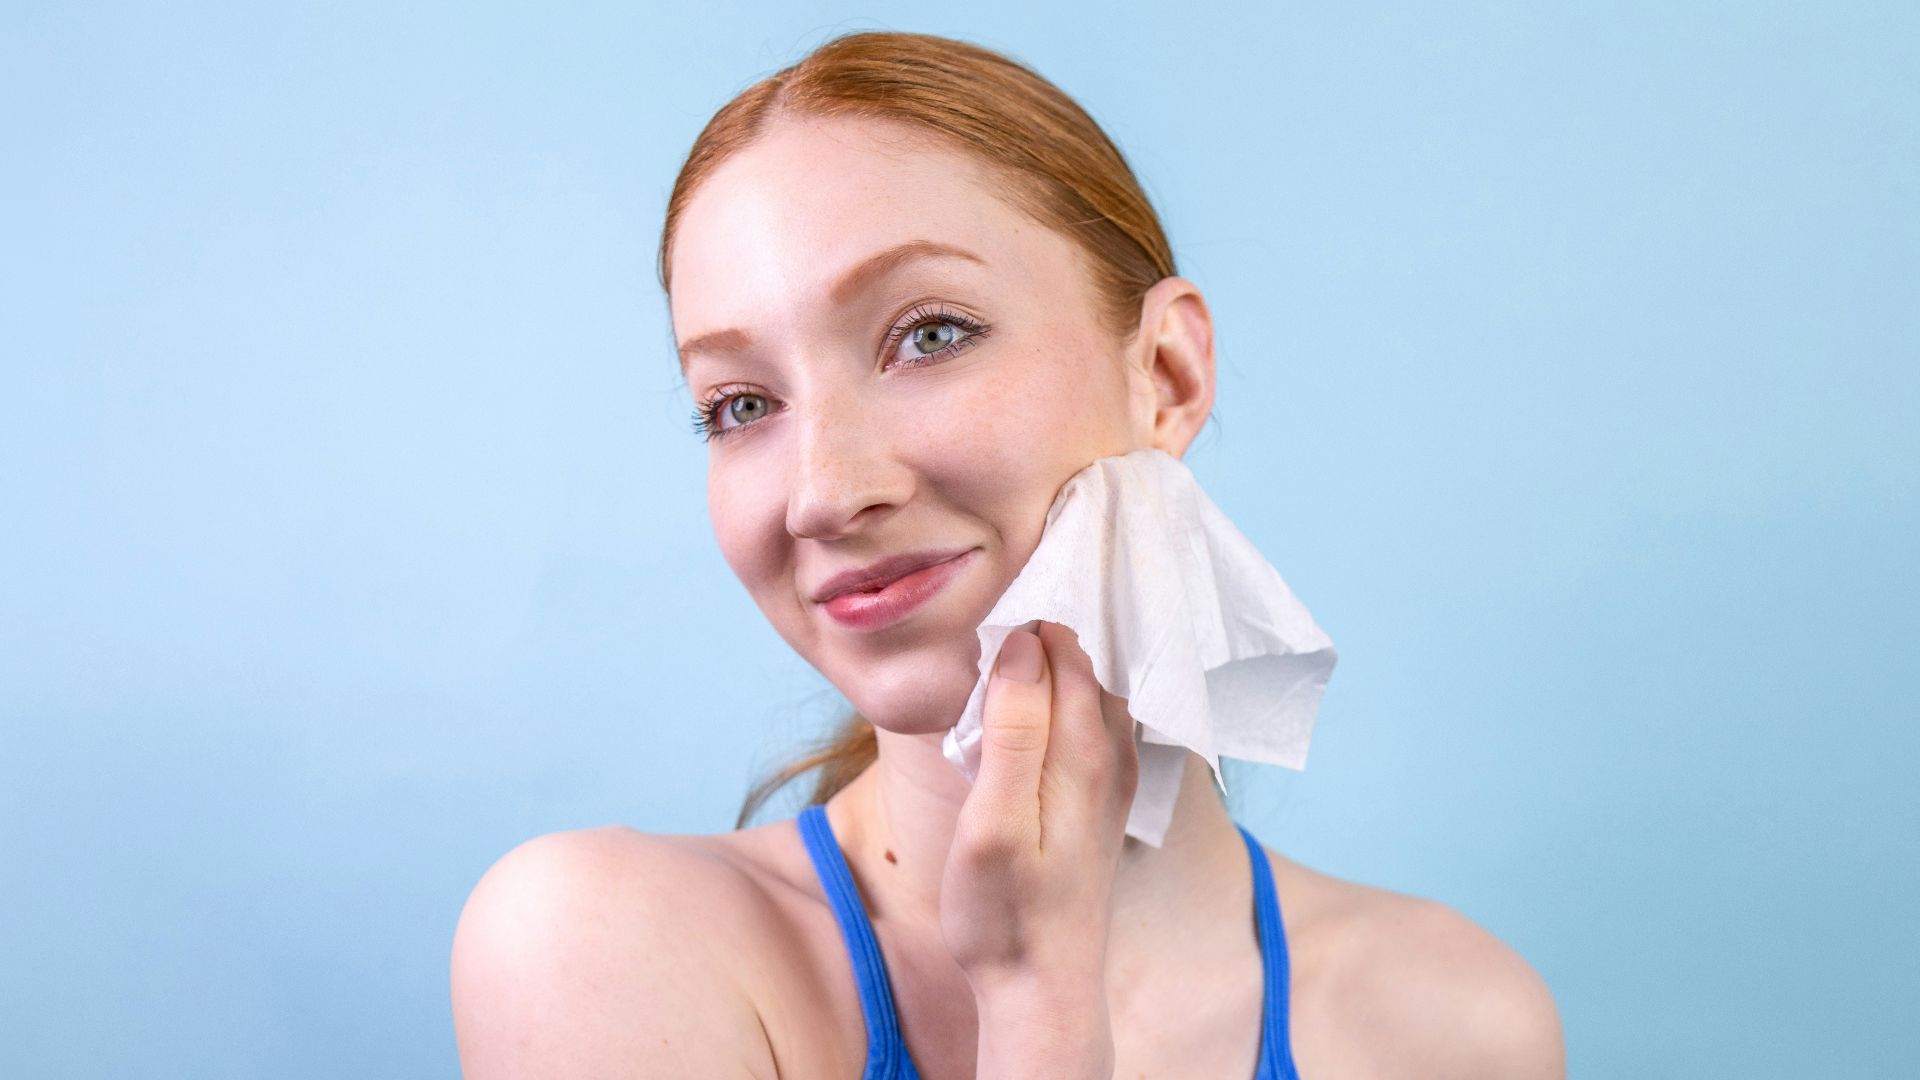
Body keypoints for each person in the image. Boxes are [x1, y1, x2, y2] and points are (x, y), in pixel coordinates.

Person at [450, 29, 1565, 1079]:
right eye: (741, 405)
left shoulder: (1451, 1021)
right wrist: (1035, 1001)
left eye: (929, 335)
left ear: (1166, 374)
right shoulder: (602, 951)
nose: (825, 495)